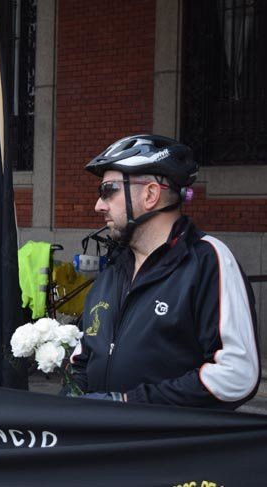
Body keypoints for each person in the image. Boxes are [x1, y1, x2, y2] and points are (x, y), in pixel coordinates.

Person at [70, 134, 260, 409]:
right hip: (102, 442)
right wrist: (72, 402)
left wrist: (128, 402)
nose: (98, 205)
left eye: (108, 190)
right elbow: (83, 357)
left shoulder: (207, 260)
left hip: (166, 447)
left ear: (150, 195)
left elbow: (237, 373)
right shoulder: (113, 269)